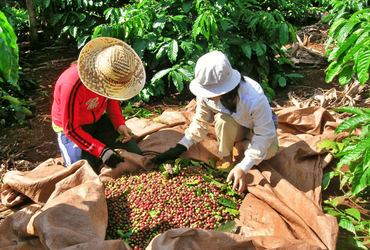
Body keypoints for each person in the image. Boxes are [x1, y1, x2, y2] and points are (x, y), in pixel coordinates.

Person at [151, 51, 278, 192]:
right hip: (235, 124)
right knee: (222, 119)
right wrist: (181, 147)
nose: (207, 95)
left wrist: (243, 166)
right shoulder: (205, 96)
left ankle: (241, 146)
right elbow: (200, 122)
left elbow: (265, 133)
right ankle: (226, 158)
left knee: (271, 150)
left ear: (226, 89)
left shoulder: (254, 98)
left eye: (211, 91)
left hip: (255, 127)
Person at [51, 37, 146, 171]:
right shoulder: (72, 85)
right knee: (83, 171)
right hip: (71, 128)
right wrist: (101, 150)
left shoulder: (111, 78)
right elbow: (71, 129)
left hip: (97, 121)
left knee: (134, 154)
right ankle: (86, 150)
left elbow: (112, 101)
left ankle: (94, 145)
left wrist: (119, 123)